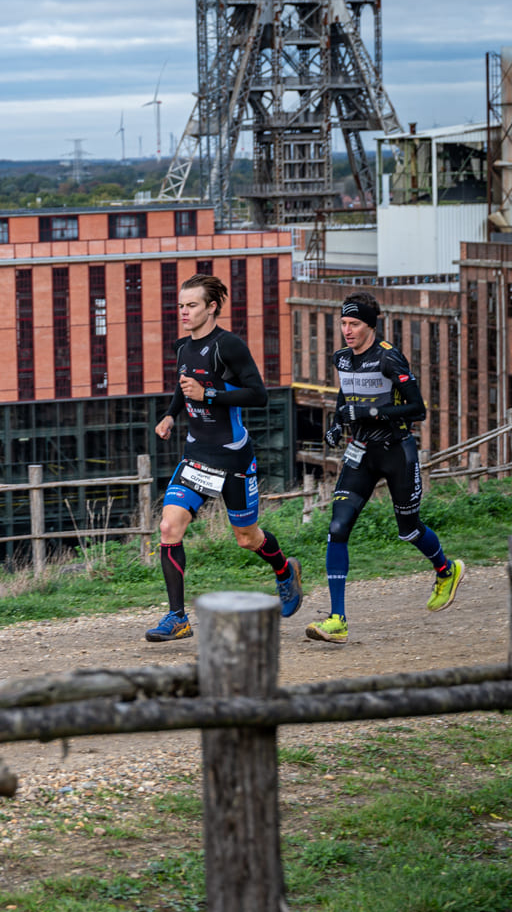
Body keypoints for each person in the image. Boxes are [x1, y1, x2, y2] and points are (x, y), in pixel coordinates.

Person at [146, 273, 304, 641]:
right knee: (169, 527)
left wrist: (210, 395)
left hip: (232, 458)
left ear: (212, 307)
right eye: (181, 306)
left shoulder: (227, 346)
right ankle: (177, 618)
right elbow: (184, 385)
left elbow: (258, 395)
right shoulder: (183, 347)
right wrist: (172, 413)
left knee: (247, 538)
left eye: (192, 305)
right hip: (197, 454)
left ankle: (284, 570)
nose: (183, 312)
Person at [305, 292, 463, 643]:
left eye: (354, 324)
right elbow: (345, 395)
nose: (346, 330)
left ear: (370, 326)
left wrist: (368, 413)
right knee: (337, 526)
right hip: (361, 452)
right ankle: (337, 620)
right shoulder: (342, 359)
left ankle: (446, 570)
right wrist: (336, 423)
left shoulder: (390, 358)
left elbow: (417, 410)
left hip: (396, 451)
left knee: (408, 530)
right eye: (343, 323)